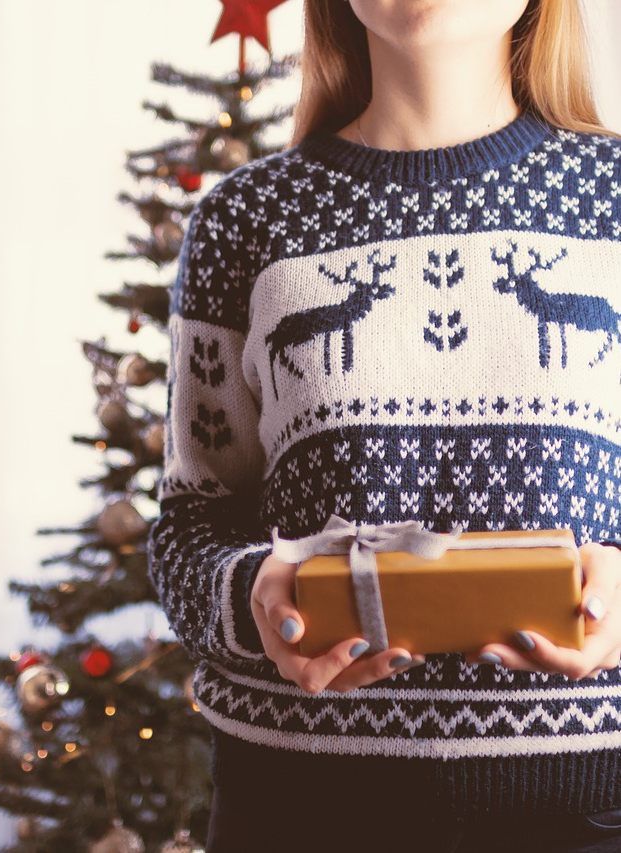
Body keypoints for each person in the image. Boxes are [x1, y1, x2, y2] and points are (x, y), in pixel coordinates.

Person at [145, 0, 621, 849]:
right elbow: (190, 522)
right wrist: (254, 598)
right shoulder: (243, 221)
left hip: (583, 809)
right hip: (295, 808)